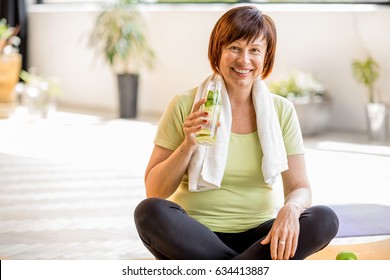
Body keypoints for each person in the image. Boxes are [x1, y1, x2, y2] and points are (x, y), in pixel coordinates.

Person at [134, 5, 339, 260]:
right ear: (217, 52)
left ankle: (222, 268)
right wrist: (187, 145)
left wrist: (292, 207)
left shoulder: (281, 110)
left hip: (262, 237)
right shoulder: (185, 104)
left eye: (254, 50)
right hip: (195, 235)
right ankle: (251, 268)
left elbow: (300, 187)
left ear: (266, 57)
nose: (244, 60)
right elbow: (154, 191)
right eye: (234, 48)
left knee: (324, 219)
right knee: (149, 212)